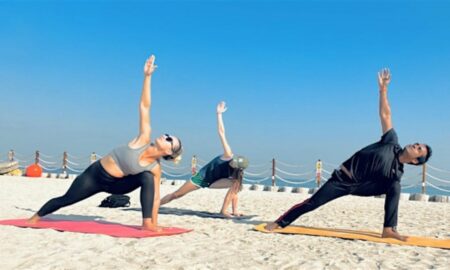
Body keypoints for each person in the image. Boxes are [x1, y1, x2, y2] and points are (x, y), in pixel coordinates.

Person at [265, 68, 432, 241]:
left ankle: (389, 229)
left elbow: (388, 187)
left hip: (361, 186)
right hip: (342, 180)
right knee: (312, 203)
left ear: (414, 161)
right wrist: (383, 90)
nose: (416, 145)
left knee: (395, 186)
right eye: (418, 144)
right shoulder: (391, 142)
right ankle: (280, 222)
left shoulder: (396, 173)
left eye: (419, 149)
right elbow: (386, 114)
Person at [28, 55, 183, 231]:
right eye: (168, 134)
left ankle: (147, 223)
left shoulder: (155, 168)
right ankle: (34, 218)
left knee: (147, 178)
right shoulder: (144, 138)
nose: (166, 136)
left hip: (118, 186)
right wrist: (147, 77)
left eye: (170, 140)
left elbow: (154, 198)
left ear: (169, 152)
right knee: (66, 199)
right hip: (95, 177)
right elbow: (144, 106)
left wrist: (154, 222)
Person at [160, 101, 249, 218]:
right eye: (234, 160)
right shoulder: (228, 155)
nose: (232, 162)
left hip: (213, 182)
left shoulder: (237, 173)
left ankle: (224, 210)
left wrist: (235, 210)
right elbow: (221, 133)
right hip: (200, 179)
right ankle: (154, 205)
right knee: (177, 195)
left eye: (235, 163)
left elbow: (234, 192)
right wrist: (219, 114)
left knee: (236, 185)